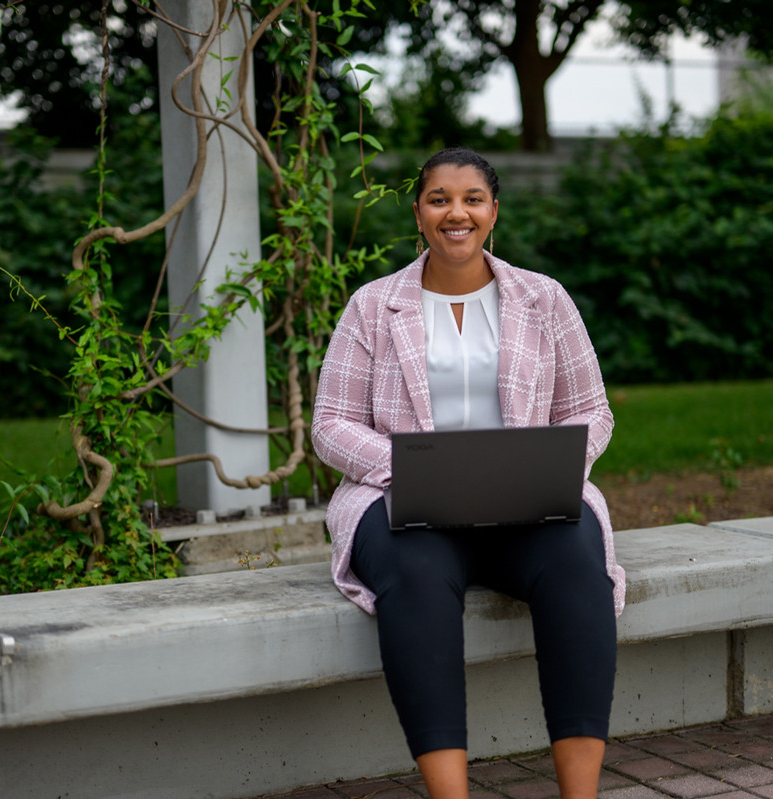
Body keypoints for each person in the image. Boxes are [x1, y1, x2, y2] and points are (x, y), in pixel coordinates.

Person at [311, 147, 626, 799]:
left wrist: (551, 461)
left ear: (493, 212)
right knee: (418, 575)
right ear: (420, 216)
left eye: (472, 198)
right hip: (405, 502)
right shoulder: (372, 306)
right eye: (439, 199)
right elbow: (331, 424)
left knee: (576, 559)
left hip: (523, 500)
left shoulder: (544, 298)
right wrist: (409, 466)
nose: (457, 211)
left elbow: (590, 409)